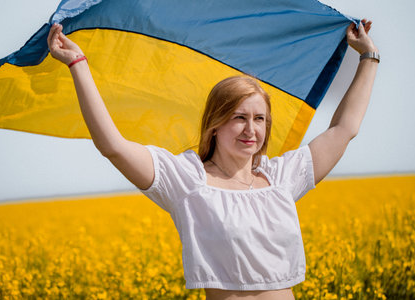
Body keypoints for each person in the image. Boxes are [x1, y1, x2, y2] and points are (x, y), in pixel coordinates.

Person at [47, 18, 378, 300]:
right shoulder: (188, 181)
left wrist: (369, 56)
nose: (251, 130)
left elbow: (344, 129)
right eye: (239, 117)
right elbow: (114, 146)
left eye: (260, 119)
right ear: (215, 123)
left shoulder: (282, 178)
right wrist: (78, 65)